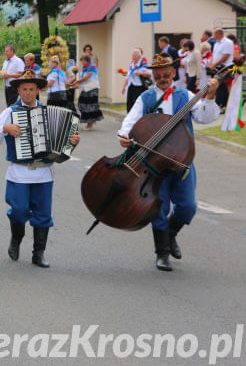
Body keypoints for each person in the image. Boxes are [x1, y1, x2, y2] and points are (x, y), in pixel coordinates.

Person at [118, 53, 219, 271]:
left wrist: (210, 97)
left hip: (182, 163)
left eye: (166, 74)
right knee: (158, 208)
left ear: (174, 73)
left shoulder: (185, 95)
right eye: (158, 75)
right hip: (154, 165)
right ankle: (162, 253)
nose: (162, 78)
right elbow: (130, 120)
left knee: (188, 206)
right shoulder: (145, 98)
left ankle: (171, 234)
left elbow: (205, 117)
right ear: (153, 75)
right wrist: (124, 135)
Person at [0, 71, 79, 268]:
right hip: (19, 173)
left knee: (43, 214)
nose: (27, 93)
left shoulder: (47, 112)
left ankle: (39, 253)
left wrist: (72, 142)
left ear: (38, 90)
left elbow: (63, 147)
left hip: (44, 173)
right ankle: (16, 238)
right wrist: (5, 129)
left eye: (31, 89)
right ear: (18, 90)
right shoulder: (11, 112)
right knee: (19, 211)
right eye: (24, 89)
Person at [73, 54, 103, 129]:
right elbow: (84, 80)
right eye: (81, 61)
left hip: (92, 89)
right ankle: (91, 121)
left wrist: (77, 81)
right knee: (81, 104)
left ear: (87, 61)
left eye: (83, 61)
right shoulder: (84, 68)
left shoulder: (92, 67)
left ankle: (90, 124)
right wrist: (78, 85)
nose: (82, 63)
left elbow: (86, 78)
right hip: (86, 88)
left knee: (90, 106)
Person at [206, 28, 234, 109]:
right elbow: (214, 55)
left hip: (225, 67)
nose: (213, 36)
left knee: (222, 87)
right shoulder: (216, 43)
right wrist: (211, 64)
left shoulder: (227, 42)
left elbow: (225, 57)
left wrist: (214, 65)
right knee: (219, 86)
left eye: (214, 34)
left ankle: (223, 104)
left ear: (219, 34)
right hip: (218, 67)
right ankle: (221, 104)